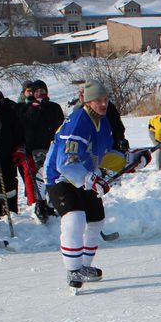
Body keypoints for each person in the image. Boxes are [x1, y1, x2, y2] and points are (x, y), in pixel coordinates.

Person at [45, 79, 115, 290]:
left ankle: (84, 266)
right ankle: (73, 269)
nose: (103, 104)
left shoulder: (103, 121)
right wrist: (91, 180)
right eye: (98, 100)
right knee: (74, 218)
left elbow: (105, 154)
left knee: (96, 220)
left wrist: (132, 158)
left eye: (106, 99)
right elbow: (65, 163)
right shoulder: (78, 122)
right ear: (88, 101)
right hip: (60, 177)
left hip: (84, 175)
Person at [21, 79, 64, 220]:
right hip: (35, 147)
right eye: (37, 91)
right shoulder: (27, 108)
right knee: (40, 175)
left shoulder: (54, 107)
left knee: (54, 175)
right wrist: (34, 108)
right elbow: (26, 125)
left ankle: (52, 203)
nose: (40, 93)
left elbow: (61, 125)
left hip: (53, 146)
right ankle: (40, 202)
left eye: (43, 91)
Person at [0, 81, 23, 216]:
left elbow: (17, 128)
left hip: (8, 150)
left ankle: (11, 210)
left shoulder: (8, 107)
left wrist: (19, 147)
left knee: (10, 181)